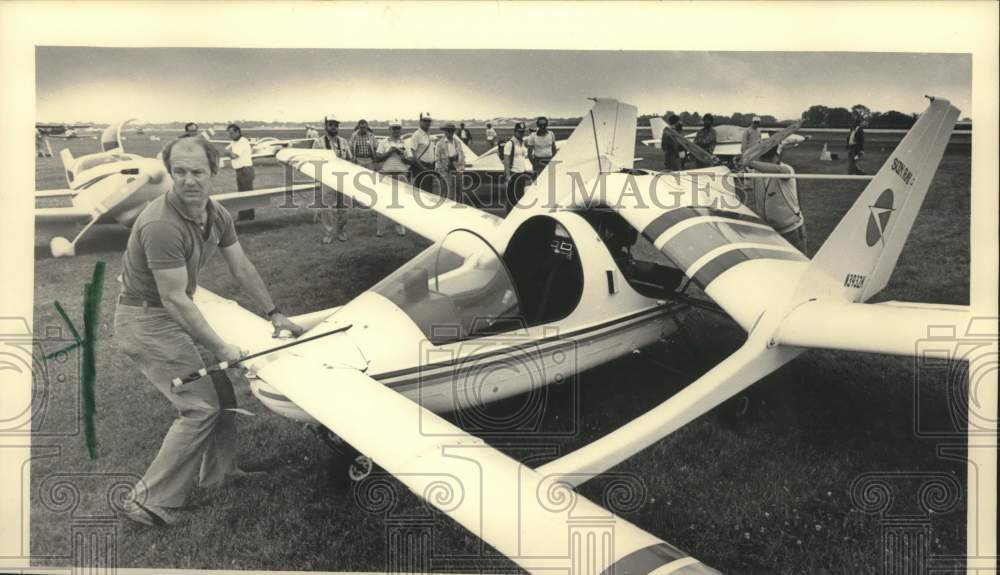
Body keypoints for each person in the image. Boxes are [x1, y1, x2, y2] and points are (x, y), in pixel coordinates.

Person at [114, 136, 304, 527]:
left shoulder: (216, 214)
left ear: (214, 172)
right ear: (170, 174)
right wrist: (220, 346)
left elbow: (243, 268)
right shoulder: (161, 225)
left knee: (220, 392)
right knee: (198, 407)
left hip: (168, 313)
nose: (188, 181)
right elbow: (175, 299)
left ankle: (220, 476)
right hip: (146, 320)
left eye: (198, 172)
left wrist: (275, 313)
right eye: (179, 172)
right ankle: (148, 502)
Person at [746, 149, 808, 254]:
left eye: (769, 158)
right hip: (768, 231)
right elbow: (746, 186)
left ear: (777, 157)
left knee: (798, 266)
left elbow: (779, 171)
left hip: (791, 230)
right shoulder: (758, 172)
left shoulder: (786, 169)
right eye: (763, 158)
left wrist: (750, 162)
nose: (766, 161)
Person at [312, 114, 353, 243]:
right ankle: (329, 233)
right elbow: (314, 162)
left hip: (342, 179)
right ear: (325, 126)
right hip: (327, 179)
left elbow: (350, 159)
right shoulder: (318, 142)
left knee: (343, 208)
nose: (333, 127)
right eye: (330, 124)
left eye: (336, 125)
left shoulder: (343, 142)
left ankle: (341, 231)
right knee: (327, 208)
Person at [374, 119, 409, 237]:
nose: (396, 131)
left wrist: (403, 156)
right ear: (389, 130)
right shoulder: (384, 142)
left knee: (400, 202)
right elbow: (377, 158)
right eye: (394, 128)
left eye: (398, 128)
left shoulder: (404, 143)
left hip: (401, 174)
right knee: (383, 202)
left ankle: (399, 226)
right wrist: (390, 151)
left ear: (401, 130)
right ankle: (381, 229)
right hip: (386, 175)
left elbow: (410, 159)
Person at [223, 124, 255, 221]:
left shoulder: (242, 142)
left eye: (232, 133)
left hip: (245, 170)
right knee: (242, 194)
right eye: (228, 133)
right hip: (240, 170)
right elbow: (226, 150)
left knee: (246, 193)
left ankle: (248, 216)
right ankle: (245, 216)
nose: (230, 135)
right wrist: (228, 152)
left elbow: (234, 155)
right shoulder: (234, 141)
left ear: (238, 132)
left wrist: (228, 153)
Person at [502, 122, 532, 210]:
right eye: (519, 132)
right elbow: (506, 160)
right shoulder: (509, 144)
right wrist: (507, 176)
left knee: (519, 197)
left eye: (522, 132)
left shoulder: (521, 143)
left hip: (521, 174)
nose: (521, 134)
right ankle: (509, 218)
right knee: (512, 199)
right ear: (515, 132)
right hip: (513, 174)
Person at [435, 123, 466, 202]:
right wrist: (441, 170)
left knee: (459, 192)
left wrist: (461, 166)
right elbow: (437, 159)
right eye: (448, 130)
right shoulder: (440, 143)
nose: (450, 132)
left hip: (457, 170)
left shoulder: (457, 142)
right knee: (448, 193)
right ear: (445, 131)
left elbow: (462, 156)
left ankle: (458, 208)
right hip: (446, 170)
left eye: (451, 131)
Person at [408, 112, 437, 194]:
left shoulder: (428, 134)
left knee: (429, 191)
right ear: (420, 121)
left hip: (430, 167)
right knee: (421, 192)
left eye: (429, 121)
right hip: (420, 167)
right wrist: (422, 167)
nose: (427, 123)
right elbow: (413, 153)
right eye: (425, 121)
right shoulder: (416, 135)